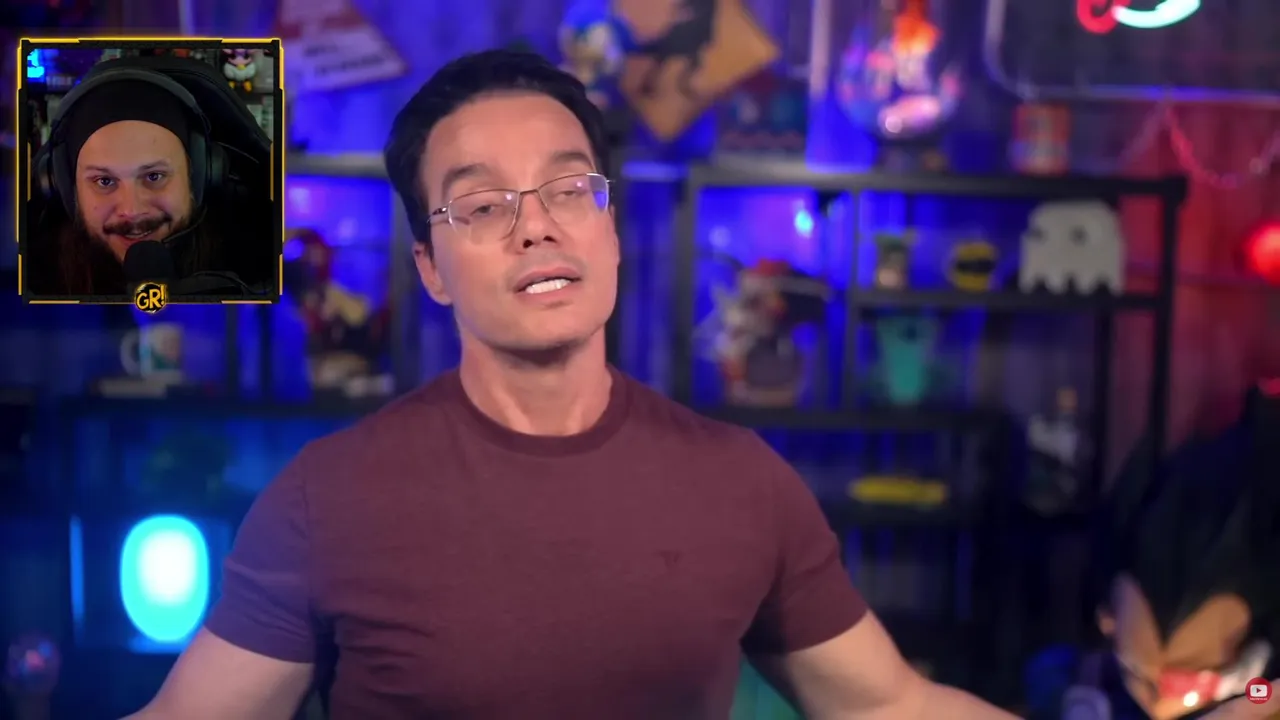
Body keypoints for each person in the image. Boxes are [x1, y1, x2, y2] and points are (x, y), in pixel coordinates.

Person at [125, 50, 1274, 719]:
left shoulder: (737, 483)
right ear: (429, 266)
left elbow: (884, 703)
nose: (537, 227)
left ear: (610, 228)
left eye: (568, 188)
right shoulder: (332, 497)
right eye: (481, 205)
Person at [25, 63, 273, 297]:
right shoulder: (28, 284)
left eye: (154, 176)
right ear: (66, 187)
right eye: (104, 181)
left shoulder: (265, 270)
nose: (132, 211)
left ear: (200, 175)